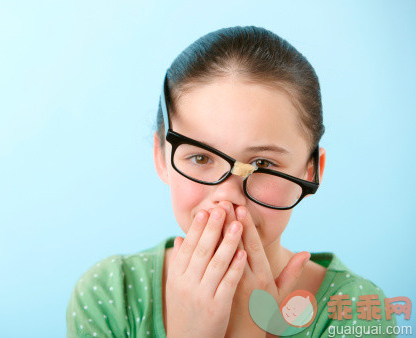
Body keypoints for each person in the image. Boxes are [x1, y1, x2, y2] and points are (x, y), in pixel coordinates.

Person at [66, 26, 398, 337]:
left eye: (263, 164)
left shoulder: (352, 310)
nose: (227, 198)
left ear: (311, 171)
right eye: (200, 158)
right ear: (160, 156)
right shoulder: (112, 295)